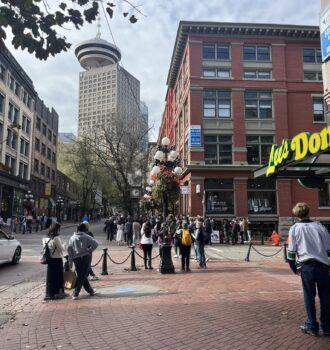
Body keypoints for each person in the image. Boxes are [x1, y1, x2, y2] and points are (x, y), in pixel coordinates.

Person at [287, 202, 330, 337]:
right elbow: (329, 249)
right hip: (323, 266)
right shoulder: (320, 227)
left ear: (296, 214)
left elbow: (291, 252)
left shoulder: (294, 229)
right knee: (326, 297)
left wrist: (294, 268)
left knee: (309, 296)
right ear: (308, 212)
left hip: (306, 266)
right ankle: (327, 326)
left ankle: (312, 325)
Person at [67, 223, 98, 300]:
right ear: (84, 229)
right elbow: (96, 244)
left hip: (76, 258)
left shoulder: (72, 238)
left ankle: (90, 290)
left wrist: (70, 261)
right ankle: (76, 293)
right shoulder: (86, 236)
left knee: (82, 274)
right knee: (82, 275)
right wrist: (89, 250)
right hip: (85, 257)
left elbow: (69, 250)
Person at [43, 222, 66, 300]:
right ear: (57, 229)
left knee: (50, 277)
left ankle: (49, 292)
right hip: (57, 259)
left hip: (49, 259)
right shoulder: (56, 237)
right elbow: (61, 249)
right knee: (58, 277)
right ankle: (58, 293)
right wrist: (64, 245)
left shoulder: (45, 237)